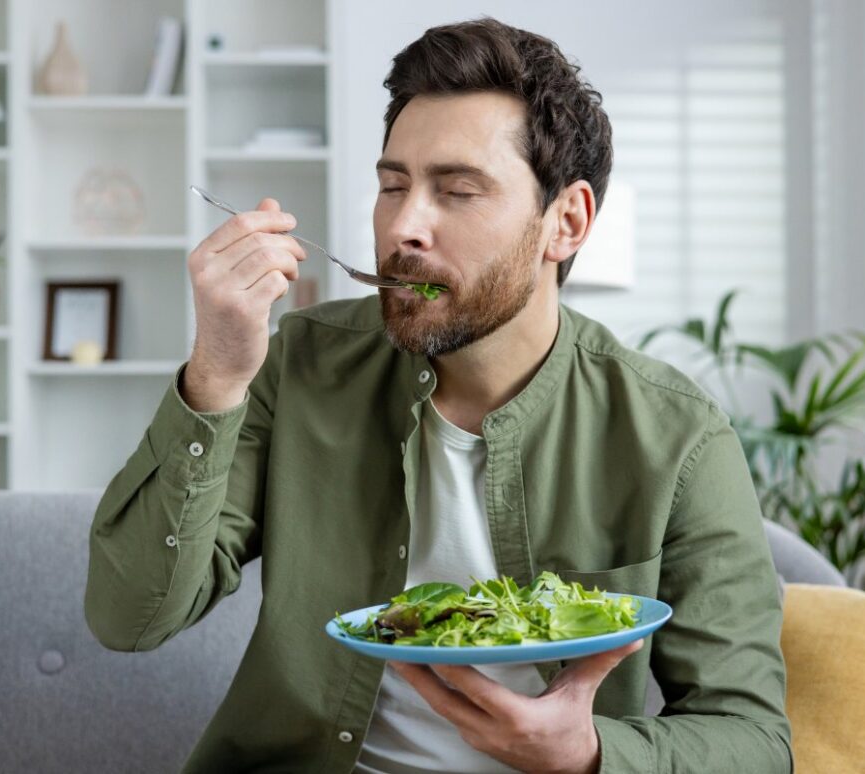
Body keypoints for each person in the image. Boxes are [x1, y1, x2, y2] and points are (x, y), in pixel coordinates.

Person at [85, 17, 792, 774]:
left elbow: (754, 741)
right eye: (393, 185)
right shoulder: (299, 365)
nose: (404, 226)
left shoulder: (675, 437)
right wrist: (218, 374)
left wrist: (588, 754)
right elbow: (129, 617)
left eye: (456, 190)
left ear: (567, 221)